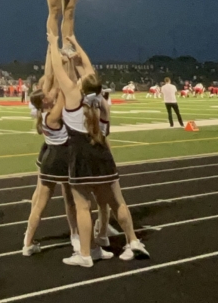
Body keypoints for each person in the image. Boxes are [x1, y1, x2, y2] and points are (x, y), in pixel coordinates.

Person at [46, 32, 149, 267]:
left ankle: (85, 254)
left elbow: (57, 69)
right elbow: (89, 70)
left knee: (83, 207)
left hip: (81, 156)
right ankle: (133, 241)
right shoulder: (102, 103)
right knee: (118, 202)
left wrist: (54, 44)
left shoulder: (73, 97)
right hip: (103, 154)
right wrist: (74, 42)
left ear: (82, 85)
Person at [23, 46, 79, 257]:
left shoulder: (43, 116)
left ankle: (27, 241)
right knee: (70, 201)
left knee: (39, 205)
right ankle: (75, 234)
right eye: (47, 95)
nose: (49, 94)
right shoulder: (53, 115)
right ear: (44, 101)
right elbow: (64, 90)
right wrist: (65, 63)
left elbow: (54, 88)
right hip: (62, 158)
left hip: (48, 159)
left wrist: (58, 59)